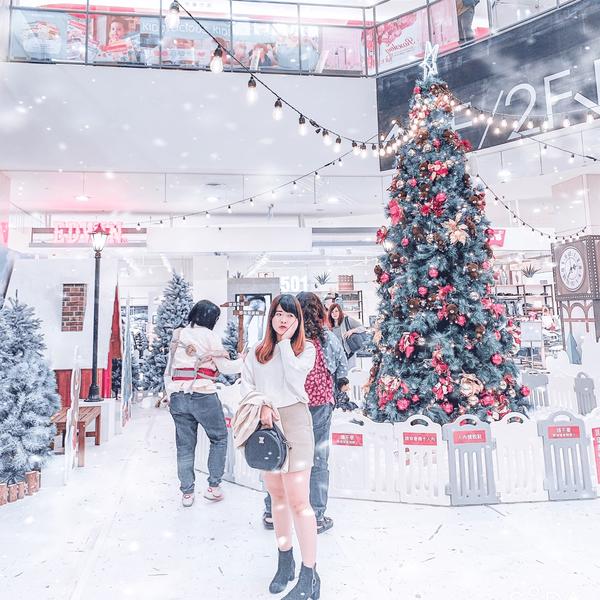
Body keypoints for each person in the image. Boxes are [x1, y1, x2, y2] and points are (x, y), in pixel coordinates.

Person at [240, 294, 320, 599]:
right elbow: (246, 384)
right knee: (277, 497)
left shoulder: (306, 349)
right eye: (278, 314)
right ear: (270, 317)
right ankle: (285, 561)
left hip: (295, 422)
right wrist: (261, 404)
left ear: (298, 320)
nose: (283, 320)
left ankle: (309, 575)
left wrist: (285, 343)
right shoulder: (257, 351)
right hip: (267, 424)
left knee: (300, 502)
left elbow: (296, 378)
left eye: (290, 315)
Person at [263, 292, 348, 534]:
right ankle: (317, 516)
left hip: (288, 404)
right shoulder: (327, 338)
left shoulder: (285, 338)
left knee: (280, 456)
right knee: (318, 460)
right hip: (319, 404)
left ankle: (272, 513)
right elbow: (341, 366)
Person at [165, 300, 243, 507]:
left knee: (184, 446)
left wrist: (169, 392)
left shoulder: (178, 334)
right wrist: (244, 360)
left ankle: (187, 493)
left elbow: (169, 368)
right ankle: (213, 487)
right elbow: (225, 368)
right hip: (203, 395)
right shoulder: (210, 336)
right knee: (219, 438)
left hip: (178, 396)